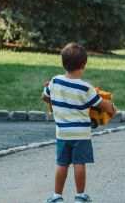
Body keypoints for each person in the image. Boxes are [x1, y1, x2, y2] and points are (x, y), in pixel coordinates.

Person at [42, 43, 117, 203]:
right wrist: (112, 108)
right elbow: (102, 105)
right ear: (83, 65)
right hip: (81, 134)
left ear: (63, 63)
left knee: (62, 164)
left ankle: (57, 196)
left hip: (62, 133)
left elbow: (45, 97)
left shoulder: (54, 82)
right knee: (79, 163)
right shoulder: (86, 88)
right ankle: (80, 195)